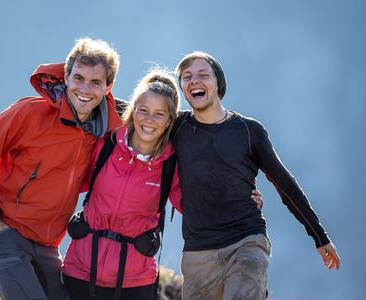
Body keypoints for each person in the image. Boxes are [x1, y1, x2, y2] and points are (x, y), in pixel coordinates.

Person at [0, 37, 122, 300]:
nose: (85, 89)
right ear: (66, 76)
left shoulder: (104, 131)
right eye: (78, 78)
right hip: (5, 231)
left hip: (47, 244)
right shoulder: (28, 114)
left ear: (108, 86)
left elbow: (151, 122)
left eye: (95, 82)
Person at [172, 51, 341, 300]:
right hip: (198, 252)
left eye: (203, 74)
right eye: (187, 77)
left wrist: (319, 236)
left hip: (246, 241)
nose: (194, 80)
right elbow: (137, 112)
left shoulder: (248, 131)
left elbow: (284, 184)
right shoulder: (177, 127)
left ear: (218, 83)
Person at [61, 68, 182, 300]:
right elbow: (68, 178)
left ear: (169, 121)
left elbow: (193, 205)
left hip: (135, 283)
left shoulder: (171, 165)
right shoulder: (105, 146)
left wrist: (239, 196)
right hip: (80, 270)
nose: (149, 120)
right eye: (143, 110)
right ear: (133, 110)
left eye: (159, 114)